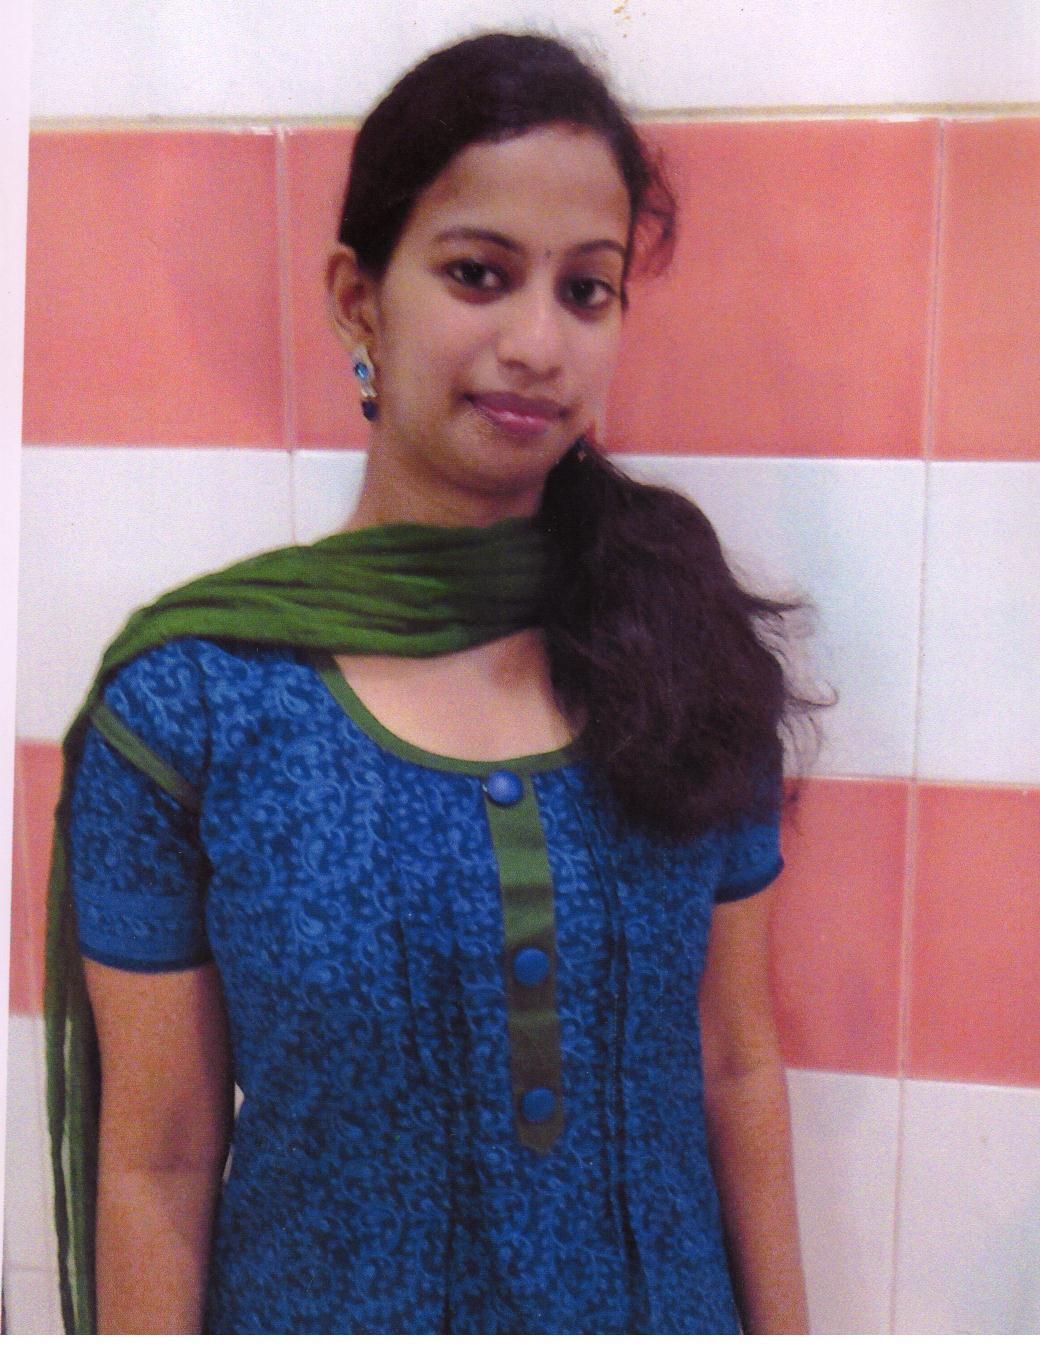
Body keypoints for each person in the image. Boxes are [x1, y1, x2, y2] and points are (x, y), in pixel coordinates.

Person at [45, 30, 817, 1335]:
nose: (538, 342)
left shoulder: (685, 649)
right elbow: (158, 1161)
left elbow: (736, 1063)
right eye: (478, 274)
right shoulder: (191, 707)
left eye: (587, 290)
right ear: (359, 298)